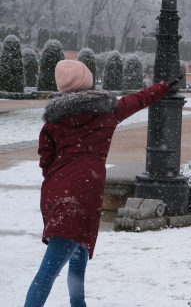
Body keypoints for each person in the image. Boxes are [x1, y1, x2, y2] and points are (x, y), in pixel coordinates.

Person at [24, 60, 174, 306]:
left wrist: (60, 182)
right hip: (82, 194)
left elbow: (45, 159)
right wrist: (164, 87)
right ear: (87, 81)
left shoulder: (52, 122)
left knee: (77, 255)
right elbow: (138, 99)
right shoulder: (106, 111)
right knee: (48, 272)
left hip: (56, 191)